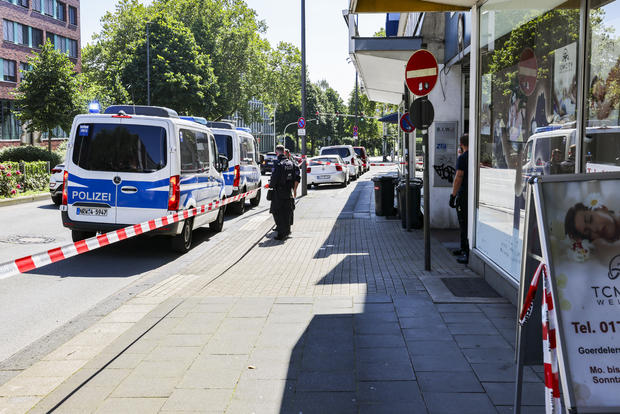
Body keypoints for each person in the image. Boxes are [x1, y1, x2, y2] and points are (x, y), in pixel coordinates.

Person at [269, 145, 297, 240]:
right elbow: (295, 177)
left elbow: (274, 178)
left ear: (277, 152)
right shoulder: (291, 163)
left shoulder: (278, 164)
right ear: (284, 152)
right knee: (287, 211)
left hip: (279, 192)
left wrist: (270, 185)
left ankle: (281, 233)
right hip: (288, 191)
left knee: (277, 211)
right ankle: (287, 230)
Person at [449, 134, 469, 264]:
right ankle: (463, 249)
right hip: (471, 194)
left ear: (461, 144)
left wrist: (453, 196)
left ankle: (466, 252)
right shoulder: (474, 156)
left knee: (463, 223)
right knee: (465, 222)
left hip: (463, 194)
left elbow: (458, 178)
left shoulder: (462, 158)